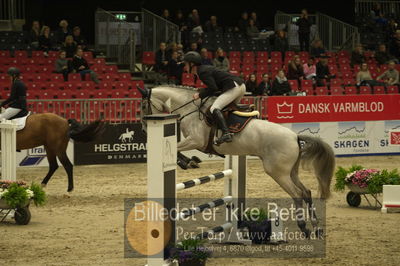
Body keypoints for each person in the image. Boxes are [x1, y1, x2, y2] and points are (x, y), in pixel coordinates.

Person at [184, 51, 246, 145]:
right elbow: (214, 86)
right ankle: (234, 129)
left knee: (214, 108)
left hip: (233, 87)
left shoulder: (202, 72)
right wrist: (203, 90)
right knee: (227, 108)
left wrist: (199, 95)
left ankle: (226, 133)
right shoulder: (203, 69)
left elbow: (213, 88)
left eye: (186, 64)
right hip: (240, 86)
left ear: (192, 64)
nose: (185, 67)